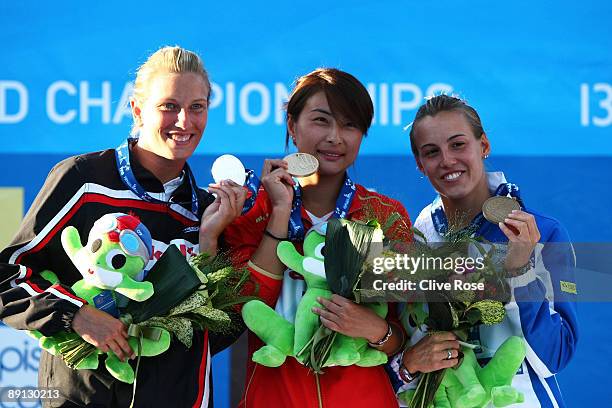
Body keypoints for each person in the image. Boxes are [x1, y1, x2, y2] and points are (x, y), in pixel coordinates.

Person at [0, 46, 252, 407]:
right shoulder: (84, 180)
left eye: (197, 107)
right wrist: (78, 316)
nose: (184, 121)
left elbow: (221, 333)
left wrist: (209, 242)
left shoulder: (209, 212)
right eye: (169, 106)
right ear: (137, 109)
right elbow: (7, 276)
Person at [224, 68, 413, 408]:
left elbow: (403, 335)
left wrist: (374, 330)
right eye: (321, 121)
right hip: (273, 398)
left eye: (350, 125)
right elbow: (242, 310)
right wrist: (280, 216)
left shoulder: (384, 216)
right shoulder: (252, 210)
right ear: (292, 127)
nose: (335, 137)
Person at [387, 95, 578, 407]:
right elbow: (403, 352)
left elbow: (554, 358)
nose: (447, 159)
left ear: (484, 146)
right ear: (420, 165)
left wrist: (520, 272)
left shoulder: (543, 233)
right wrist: (409, 361)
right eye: (432, 152)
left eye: (458, 144)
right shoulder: (413, 239)